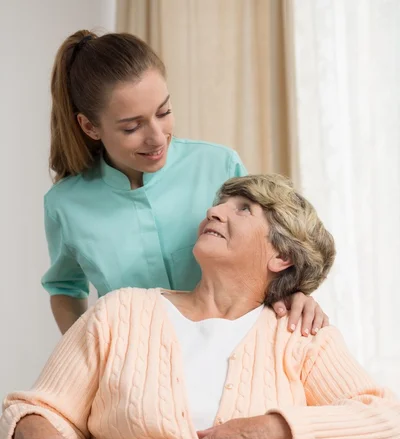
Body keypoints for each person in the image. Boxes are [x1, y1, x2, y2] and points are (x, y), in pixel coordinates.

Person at [2, 174, 399, 439]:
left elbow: (388, 423)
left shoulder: (299, 335)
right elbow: (42, 410)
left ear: (281, 255)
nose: (215, 212)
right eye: (220, 204)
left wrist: (272, 432)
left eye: (243, 209)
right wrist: (31, 427)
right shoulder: (120, 314)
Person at [44, 29, 327, 335]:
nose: (156, 137)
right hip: (134, 369)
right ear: (90, 126)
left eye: (163, 112)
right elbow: (65, 288)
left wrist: (297, 295)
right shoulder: (66, 204)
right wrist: (87, 355)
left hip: (229, 353)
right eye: (132, 127)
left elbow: (265, 251)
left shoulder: (218, 165)